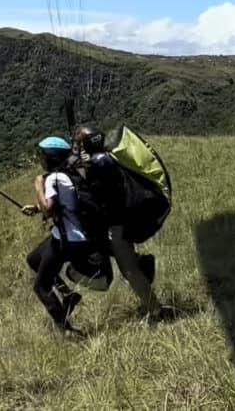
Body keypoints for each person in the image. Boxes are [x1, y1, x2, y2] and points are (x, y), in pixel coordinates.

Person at [70, 124, 162, 320]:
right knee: (127, 266)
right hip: (119, 222)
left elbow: (100, 195)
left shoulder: (99, 163)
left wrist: (87, 169)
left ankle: (154, 310)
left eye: (79, 143)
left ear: (87, 144)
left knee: (129, 270)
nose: (78, 147)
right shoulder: (106, 159)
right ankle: (144, 269)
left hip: (117, 225)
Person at [22, 135, 110, 330]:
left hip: (67, 242)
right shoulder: (66, 175)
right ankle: (69, 295)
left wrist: (38, 185)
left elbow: (49, 209)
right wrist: (36, 208)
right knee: (33, 259)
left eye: (42, 156)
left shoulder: (52, 178)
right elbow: (65, 202)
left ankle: (64, 328)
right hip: (68, 236)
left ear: (50, 158)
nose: (40, 160)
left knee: (41, 287)